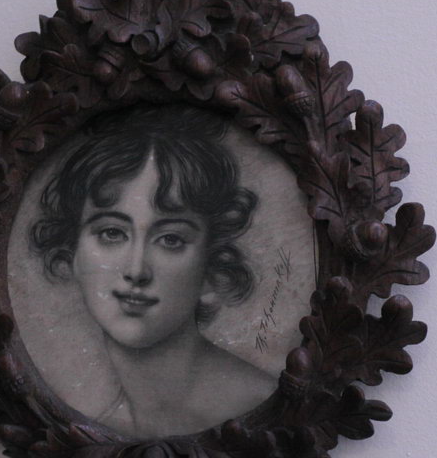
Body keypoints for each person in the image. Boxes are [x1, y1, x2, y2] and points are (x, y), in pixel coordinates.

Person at [31, 104, 271, 437]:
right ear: (71, 252)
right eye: (112, 233)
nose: (136, 270)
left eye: (170, 239)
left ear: (211, 262)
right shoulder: (103, 427)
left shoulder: (256, 406)